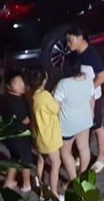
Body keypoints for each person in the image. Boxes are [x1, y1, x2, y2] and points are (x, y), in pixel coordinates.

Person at [66, 26, 104, 173]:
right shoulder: (74, 55)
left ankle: (101, 158)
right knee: (83, 128)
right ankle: (84, 154)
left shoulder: (92, 55)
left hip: (93, 98)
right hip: (81, 99)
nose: (68, 44)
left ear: (79, 38)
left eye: (70, 40)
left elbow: (102, 77)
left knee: (97, 127)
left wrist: (88, 89)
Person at [53, 57, 94, 180]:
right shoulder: (88, 79)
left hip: (68, 124)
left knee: (65, 153)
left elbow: (56, 106)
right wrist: (91, 113)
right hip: (85, 120)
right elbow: (92, 99)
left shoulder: (63, 84)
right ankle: (83, 175)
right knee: (84, 147)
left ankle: (73, 180)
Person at [27, 69, 62, 199]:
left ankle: (41, 189)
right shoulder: (45, 96)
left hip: (38, 137)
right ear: (43, 81)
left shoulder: (31, 96)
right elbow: (56, 108)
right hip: (49, 138)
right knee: (56, 164)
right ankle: (53, 194)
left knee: (41, 160)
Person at [1, 70, 34, 193]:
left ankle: (9, 181)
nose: (21, 86)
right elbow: (25, 121)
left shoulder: (6, 99)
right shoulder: (17, 103)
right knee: (26, 160)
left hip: (10, 135)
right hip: (20, 136)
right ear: (9, 86)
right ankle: (26, 184)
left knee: (14, 158)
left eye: (22, 83)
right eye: (16, 84)